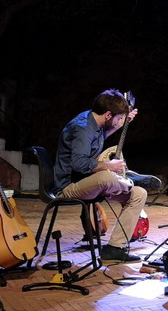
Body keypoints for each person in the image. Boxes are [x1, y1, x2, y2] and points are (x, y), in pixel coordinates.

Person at [53, 89, 148, 263]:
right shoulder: (82, 128)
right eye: (118, 118)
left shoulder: (94, 124)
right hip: (69, 186)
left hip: (87, 183)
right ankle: (127, 181)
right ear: (108, 115)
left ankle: (114, 248)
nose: (119, 122)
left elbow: (101, 136)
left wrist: (121, 123)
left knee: (139, 194)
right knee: (107, 177)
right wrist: (109, 165)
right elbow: (79, 164)